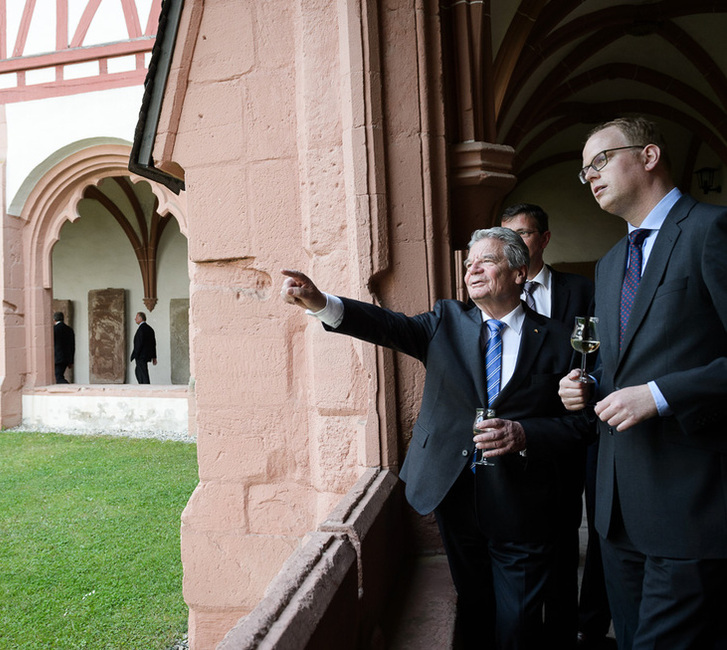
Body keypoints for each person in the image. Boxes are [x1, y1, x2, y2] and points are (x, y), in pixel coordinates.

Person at [282, 227, 592, 649]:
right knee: (476, 606)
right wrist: (321, 303)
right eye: (469, 263)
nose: (473, 269)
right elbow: (387, 326)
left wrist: (524, 433)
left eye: (487, 260)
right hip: (454, 492)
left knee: (519, 622)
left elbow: (579, 425)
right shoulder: (446, 321)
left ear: (520, 273)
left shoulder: (557, 337)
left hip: (524, 501)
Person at [559, 116, 727, 649]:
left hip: (690, 504)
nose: (590, 178)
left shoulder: (711, 229)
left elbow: (655, 383)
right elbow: (621, 368)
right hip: (616, 512)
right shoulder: (609, 265)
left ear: (649, 156)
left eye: (600, 161)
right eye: (584, 172)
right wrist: (588, 388)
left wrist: (659, 396)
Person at [501, 204, 607, 647]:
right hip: (515, 439)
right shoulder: (491, 293)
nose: (514, 246)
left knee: (573, 531)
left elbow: (601, 353)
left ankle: (576, 627)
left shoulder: (581, 290)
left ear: (544, 239)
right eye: (505, 238)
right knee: (526, 541)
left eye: (523, 235)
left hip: (573, 431)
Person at [130, 311, 156, 384]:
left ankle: (146, 388)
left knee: (143, 373)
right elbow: (153, 344)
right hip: (146, 355)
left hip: (140, 355)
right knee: (139, 372)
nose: (135, 319)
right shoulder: (150, 329)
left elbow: (139, 343)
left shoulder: (141, 329)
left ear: (140, 318)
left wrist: (136, 354)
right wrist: (154, 357)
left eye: (136, 317)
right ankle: (143, 386)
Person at [52, 312, 74, 384]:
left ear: (54, 319)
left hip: (56, 358)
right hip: (66, 358)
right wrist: (71, 361)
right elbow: (72, 346)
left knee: (58, 377)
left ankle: (68, 388)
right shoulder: (69, 330)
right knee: (59, 376)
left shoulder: (53, 330)